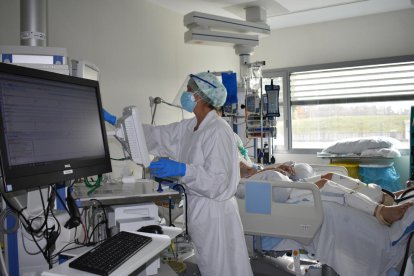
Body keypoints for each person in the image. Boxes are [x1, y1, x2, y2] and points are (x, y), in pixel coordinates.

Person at [143, 72, 253, 276]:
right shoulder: (190, 127)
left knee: (222, 269)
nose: (186, 94)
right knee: (212, 267)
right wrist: (121, 126)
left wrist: (182, 170)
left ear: (201, 96)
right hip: (201, 213)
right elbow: (159, 136)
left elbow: (218, 180)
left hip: (216, 214)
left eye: (189, 90)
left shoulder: (217, 130)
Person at [240, 160, 413, 226]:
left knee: (330, 176)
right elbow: (244, 178)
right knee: (323, 184)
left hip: (277, 184)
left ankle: (384, 197)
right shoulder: (226, 164)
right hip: (265, 194)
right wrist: (261, 170)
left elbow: (254, 169)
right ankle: (380, 211)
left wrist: (275, 167)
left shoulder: (236, 150)